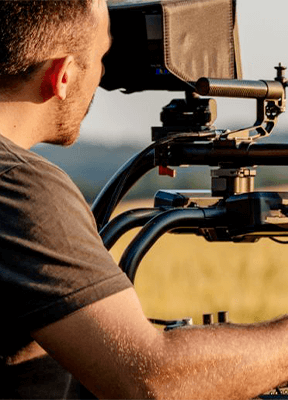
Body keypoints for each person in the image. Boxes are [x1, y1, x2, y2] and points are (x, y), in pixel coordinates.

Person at [1, 0, 288, 399]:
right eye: (101, 57)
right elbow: (149, 380)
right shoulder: (19, 186)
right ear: (62, 76)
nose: (103, 76)